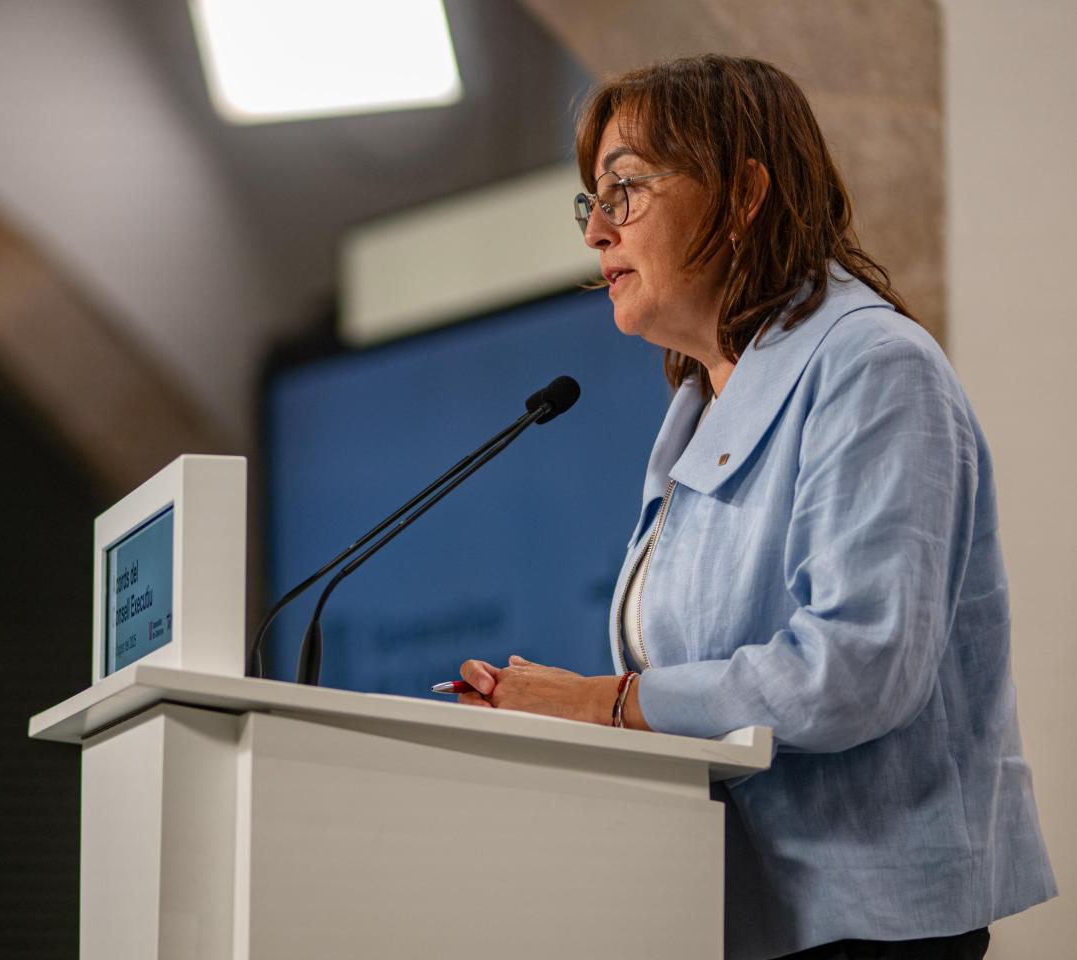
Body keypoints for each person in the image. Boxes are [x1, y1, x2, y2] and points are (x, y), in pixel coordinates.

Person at [451, 55, 1056, 960]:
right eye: (592, 201)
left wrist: (607, 704)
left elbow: (857, 668)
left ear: (742, 196)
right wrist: (566, 714)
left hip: (872, 925)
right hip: (734, 912)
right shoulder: (699, 406)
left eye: (625, 191)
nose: (597, 233)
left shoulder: (871, 366)